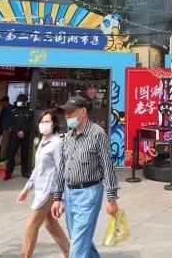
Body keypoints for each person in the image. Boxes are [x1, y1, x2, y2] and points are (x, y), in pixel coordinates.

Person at [51, 96, 120, 258]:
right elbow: (62, 167)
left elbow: (108, 167)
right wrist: (57, 197)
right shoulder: (68, 137)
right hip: (70, 193)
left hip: (89, 193)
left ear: (83, 112)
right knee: (80, 239)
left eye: (71, 112)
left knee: (78, 244)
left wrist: (111, 199)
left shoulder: (98, 134)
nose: (67, 116)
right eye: (65, 113)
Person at [17, 111, 70, 258]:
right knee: (50, 224)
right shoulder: (42, 141)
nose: (44, 124)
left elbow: (62, 169)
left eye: (48, 121)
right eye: (42, 121)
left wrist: (61, 197)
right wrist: (26, 189)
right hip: (40, 190)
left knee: (31, 225)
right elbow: (38, 168)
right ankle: (70, 253)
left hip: (50, 191)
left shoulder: (57, 143)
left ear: (54, 124)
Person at [5, 93, 34, 180]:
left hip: (25, 136)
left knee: (24, 155)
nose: (18, 102)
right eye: (18, 101)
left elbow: (30, 124)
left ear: (25, 102)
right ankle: (8, 173)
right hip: (14, 136)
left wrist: (23, 131)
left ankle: (25, 172)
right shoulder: (13, 111)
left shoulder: (30, 111)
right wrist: (17, 131)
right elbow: (11, 123)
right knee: (11, 155)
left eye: (20, 101)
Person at [0, 95, 13, 162]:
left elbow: (13, 119)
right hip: (3, 128)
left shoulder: (11, 108)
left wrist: (11, 127)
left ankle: (3, 157)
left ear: (5, 102)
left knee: (5, 143)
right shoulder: (4, 109)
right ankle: (4, 157)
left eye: (2, 102)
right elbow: (0, 117)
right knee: (3, 143)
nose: (1, 104)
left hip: (8, 129)